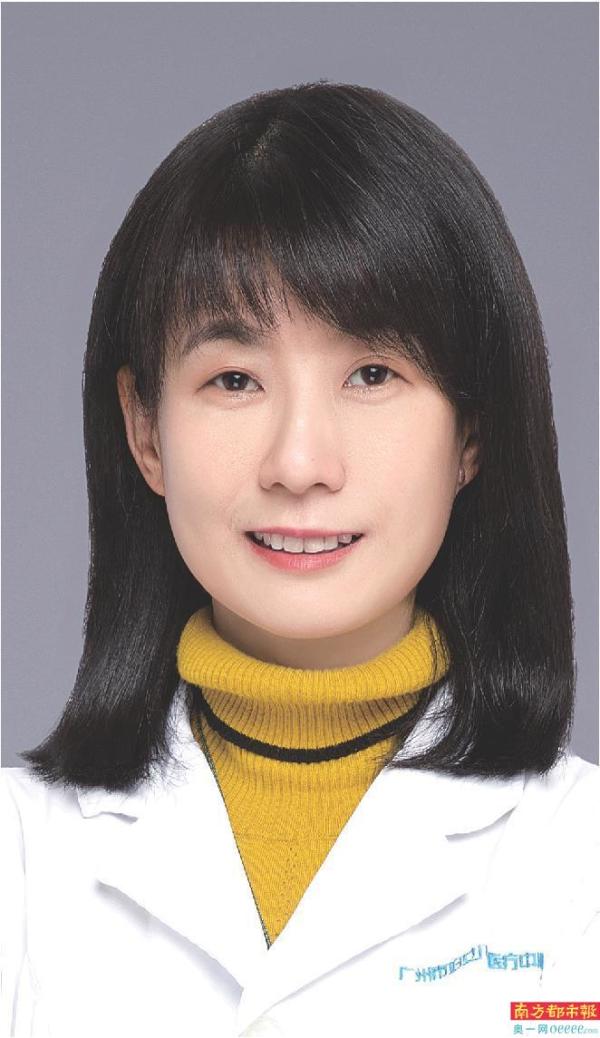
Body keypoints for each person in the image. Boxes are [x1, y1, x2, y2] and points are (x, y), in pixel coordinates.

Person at [1, 81, 598, 1038]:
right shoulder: (21, 861)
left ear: (471, 432)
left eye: (373, 374)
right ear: (145, 432)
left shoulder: (580, 864)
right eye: (234, 379)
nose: (300, 463)